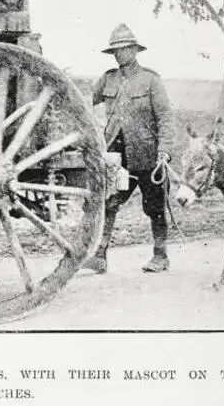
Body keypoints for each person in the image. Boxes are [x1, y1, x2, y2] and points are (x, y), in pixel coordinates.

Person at [82, 24, 176, 274]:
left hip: (148, 155)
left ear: (135, 50)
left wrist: (164, 150)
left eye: (123, 49)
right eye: (115, 50)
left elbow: (165, 117)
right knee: (109, 202)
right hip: (117, 155)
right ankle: (100, 256)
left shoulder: (150, 80)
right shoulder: (108, 79)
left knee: (154, 206)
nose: (119, 54)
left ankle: (160, 256)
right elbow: (82, 100)